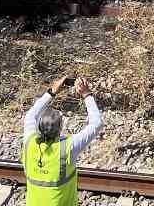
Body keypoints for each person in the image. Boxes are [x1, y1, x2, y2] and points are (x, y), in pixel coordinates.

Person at [21, 74, 103, 206]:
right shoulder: (67, 148)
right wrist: (86, 94)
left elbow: (30, 115)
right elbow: (96, 124)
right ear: (60, 128)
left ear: (39, 126)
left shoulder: (29, 142)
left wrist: (51, 91)